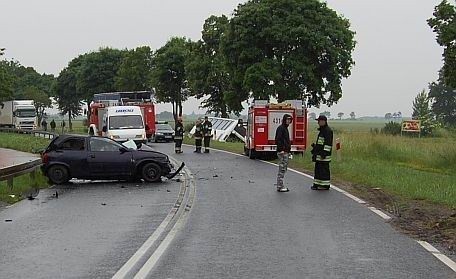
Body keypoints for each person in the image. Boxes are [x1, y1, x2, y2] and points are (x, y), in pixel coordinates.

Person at [311, 115, 333, 190]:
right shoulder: (322, 130)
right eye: (318, 121)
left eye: (319, 121)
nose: (318, 123)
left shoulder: (328, 131)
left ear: (324, 121)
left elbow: (328, 144)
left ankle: (325, 184)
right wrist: (315, 148)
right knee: (318, 170)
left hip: (324, 155)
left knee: (324, 170)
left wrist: (324, 153)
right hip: (320, 154)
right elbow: (321, 142)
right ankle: (317, 184)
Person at [275, 114, 293, 192]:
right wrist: (281, 149)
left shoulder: (285, 128)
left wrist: (289, 151)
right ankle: (280, 186)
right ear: (284, 120)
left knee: (283, 169)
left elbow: (286, 141)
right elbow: (278, 139)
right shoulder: (281, 128)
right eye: (287, 119)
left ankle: (280, 185)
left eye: (290, 120)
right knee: (282, 169)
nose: (288, 121)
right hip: (282, 152)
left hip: (286, 151)